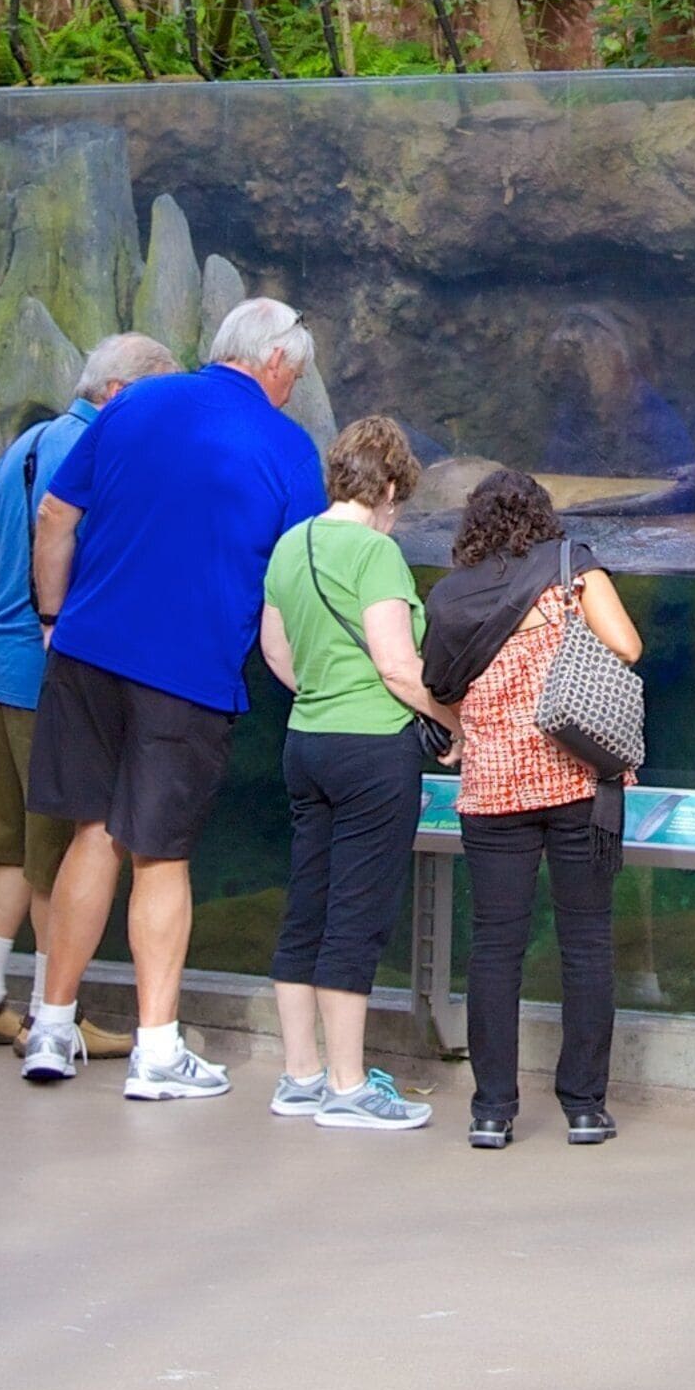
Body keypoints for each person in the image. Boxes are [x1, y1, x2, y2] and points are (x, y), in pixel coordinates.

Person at [21, 297, 325, 1099]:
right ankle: (157, 1052)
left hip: (86, 650)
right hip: (185, 671)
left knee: (94, 831)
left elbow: (55, 513)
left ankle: (50, 1028)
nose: (294, 388)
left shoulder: (135, 401)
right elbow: (301, 575)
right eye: (297, 374)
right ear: (275, 366)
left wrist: (52, 618)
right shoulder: (289, 449)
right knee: (159, 851)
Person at [0, 332, 172, 1057]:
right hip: (49, 675)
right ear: (116, 394)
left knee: (6, 846)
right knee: (60, 851)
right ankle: (55, 1019)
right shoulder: (99, 451)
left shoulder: (29, 444)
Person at [417, 469, 642, 1149]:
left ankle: (491, 1110)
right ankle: (583, 1106)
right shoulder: (575, 569)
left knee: (494, 948)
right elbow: (627, 648)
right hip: (578, 780)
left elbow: (438, 686)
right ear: (544, 516)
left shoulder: (451, 596)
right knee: (585, 942)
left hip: (493, 790)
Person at [253, 415, 455, 1134]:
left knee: (306, 904)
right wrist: (453, 723)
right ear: (392, 486)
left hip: (305, 742)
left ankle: (300, 1075)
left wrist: (322, 690)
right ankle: (347, 1085)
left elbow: (276, 650)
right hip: (373, 748)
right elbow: (399, 664)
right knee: (357, 915)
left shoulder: (289, 544)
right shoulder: (376, 555)